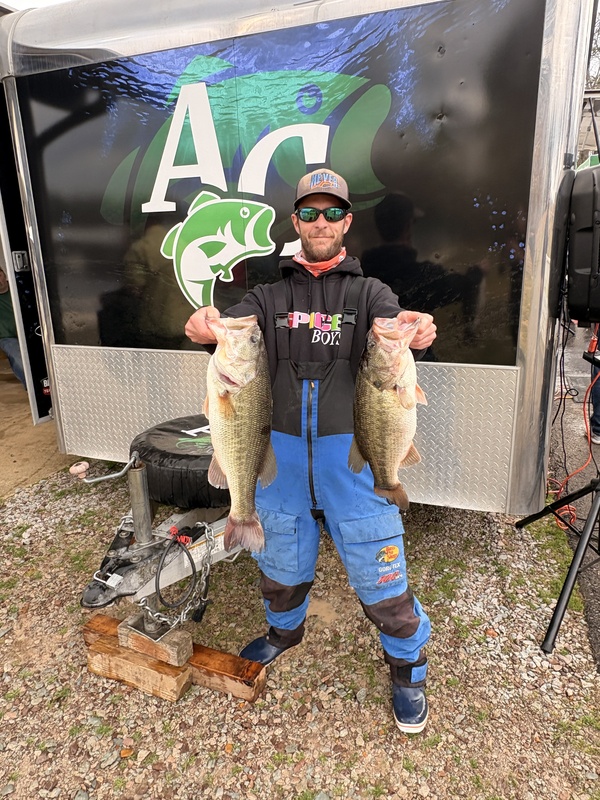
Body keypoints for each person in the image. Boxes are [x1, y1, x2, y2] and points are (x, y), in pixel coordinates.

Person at [185, 169, 437, 734]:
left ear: (346, 222)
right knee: (280, 558)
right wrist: (203, 323)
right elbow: (222, 328)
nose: (320, 222)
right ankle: (283, 631)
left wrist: (416, 329)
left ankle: (408, 666)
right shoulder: (267, 295)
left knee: (380, 571)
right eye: (309, 213)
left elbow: (397, 326)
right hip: (279, 455)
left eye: (332, 213)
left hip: (353, 457)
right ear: (295, 222)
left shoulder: (369, 292)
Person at [0, 266, 26, 388]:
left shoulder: (18, 289)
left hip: (27, 332)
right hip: (7, 338)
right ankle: (32, 388)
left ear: (4, 274)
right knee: (19, 357)